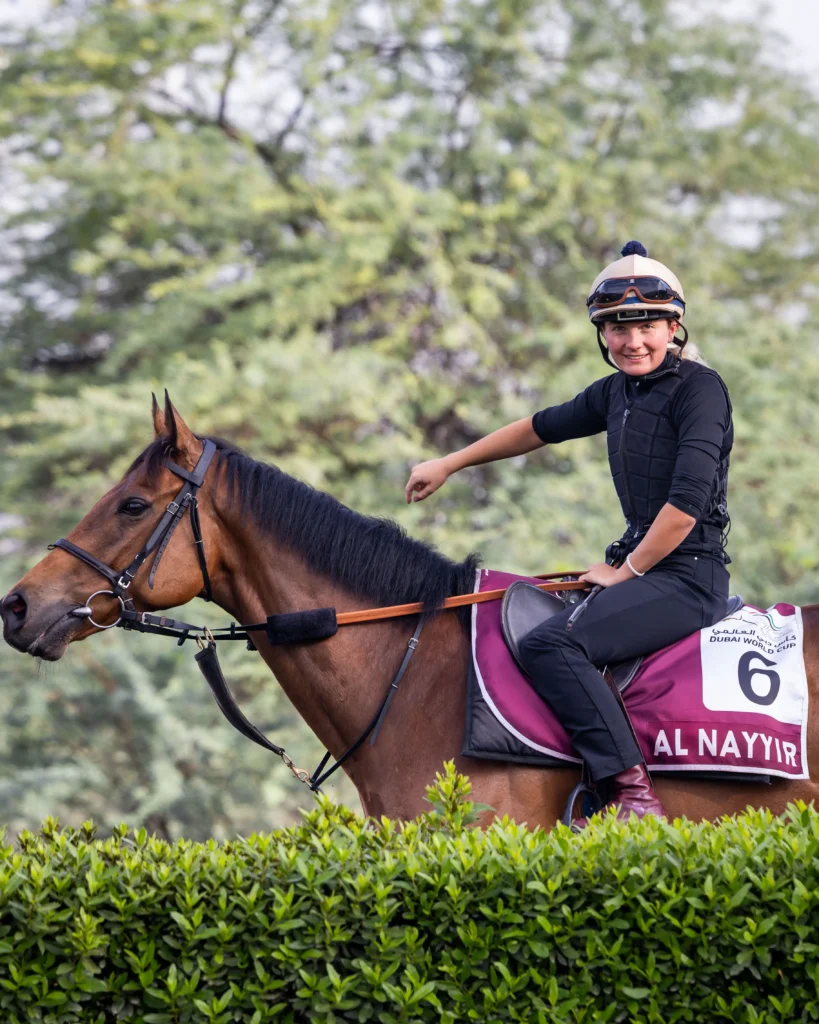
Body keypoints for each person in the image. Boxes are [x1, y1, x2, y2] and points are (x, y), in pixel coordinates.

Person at [404, 240, 733, 829]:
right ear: (602, 332)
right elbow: (536, 429)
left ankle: (634, 798)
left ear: (674, 325)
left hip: (688, 578)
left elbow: (685, 508)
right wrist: (449, 463)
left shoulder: (701, 390)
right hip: (646, 570)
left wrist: (625, 571)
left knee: (551, 643)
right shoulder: (614, 393)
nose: (632, 341)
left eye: (647, 326)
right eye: (616, 328)